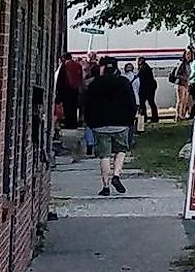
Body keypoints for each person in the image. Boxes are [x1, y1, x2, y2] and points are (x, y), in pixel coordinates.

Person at [82, 56, 139, 195]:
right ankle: (116, 175)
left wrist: (89, 121)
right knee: (121, 151)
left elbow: (86, 104)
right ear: (115, 69)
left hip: (100, 124)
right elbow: (131, 102)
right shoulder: (123, 82)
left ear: (102, 68)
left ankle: (106, 187)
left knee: (104, 155)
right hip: (121, 123)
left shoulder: (94, 84)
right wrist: (130, 120)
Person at [55, 54, 85, 138]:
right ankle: (73, 123)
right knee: (74, 107)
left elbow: (61, 79)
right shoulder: (77, 65)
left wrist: (58, 91)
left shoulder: (64, 66)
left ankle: (68, 123)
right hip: (75, 90)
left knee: (67, 107)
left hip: (66, 90)